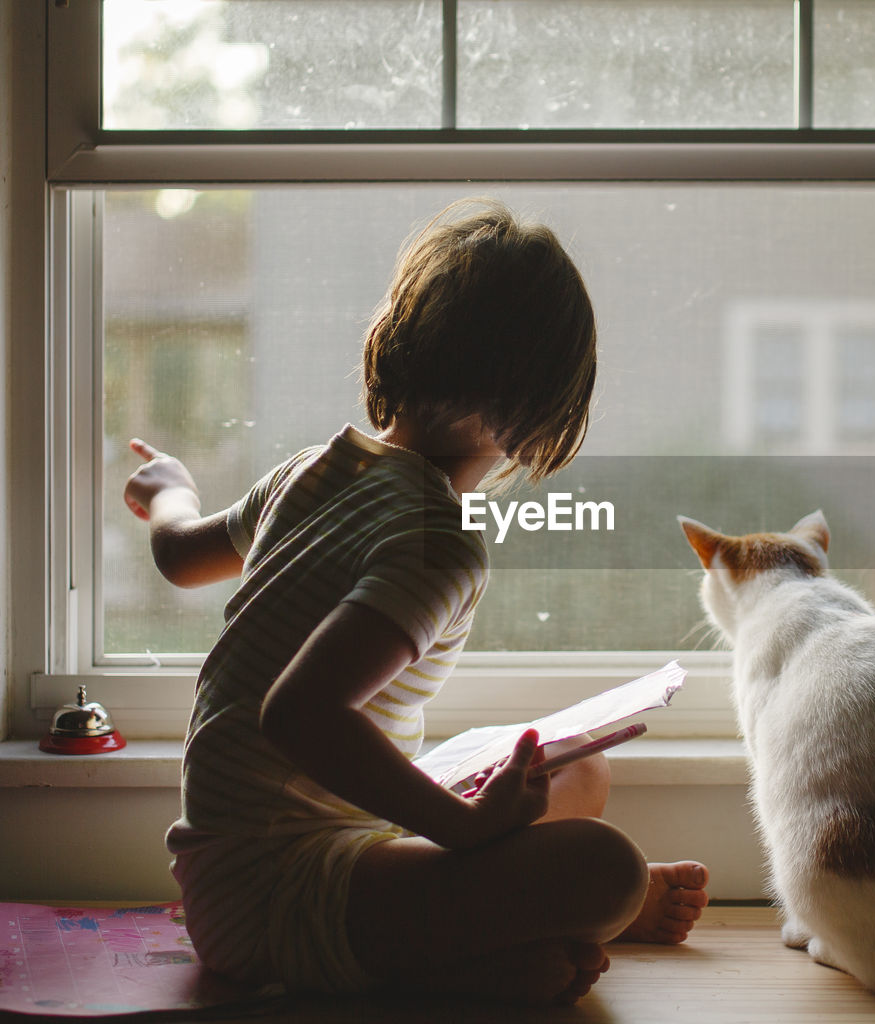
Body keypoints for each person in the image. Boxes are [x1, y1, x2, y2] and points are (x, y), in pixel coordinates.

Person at [123, 199, 708, 1005]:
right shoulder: (440, 544)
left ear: (396, 341)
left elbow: (179, 555)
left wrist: (171, 489)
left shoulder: (307, 473)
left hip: (274, 856)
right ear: (542, 416)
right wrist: (466, 828)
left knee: (575, 768)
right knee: (607, 868)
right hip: (275, 896)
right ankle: (481, 963)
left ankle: (501, 935)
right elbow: (297, 714)